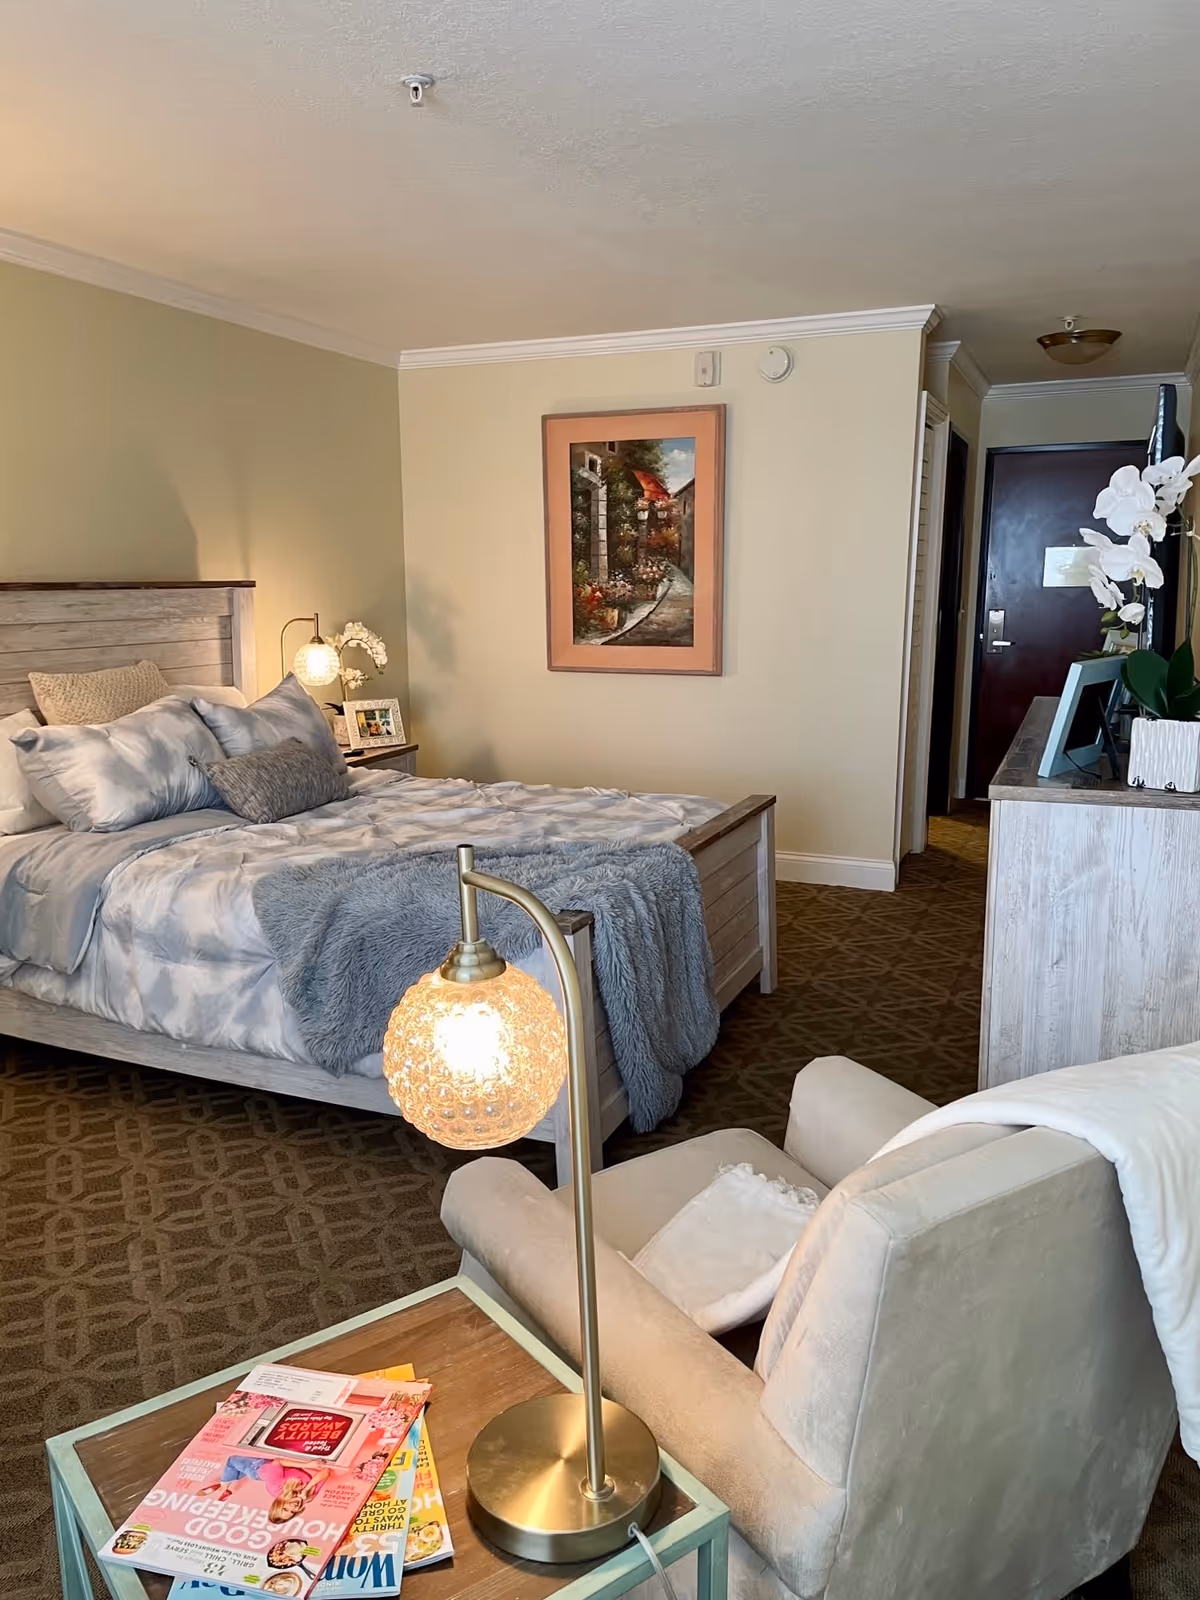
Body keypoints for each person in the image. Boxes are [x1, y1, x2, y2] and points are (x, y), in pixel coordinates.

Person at [197, 1456, 331, 1523]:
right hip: (272, 1472)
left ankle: (223, 1486)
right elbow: (325, 1472)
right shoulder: (308, 1498)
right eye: (292, 1512)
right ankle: (227, 1485)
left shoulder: (276, 1488)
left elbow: (278, 1461)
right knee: (238, 1469)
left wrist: (306, 1464)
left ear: (279, 1504)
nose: (292, 1507)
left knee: (232, 1461)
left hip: (258, 1468)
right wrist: (307, 1488)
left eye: (285, 1509)